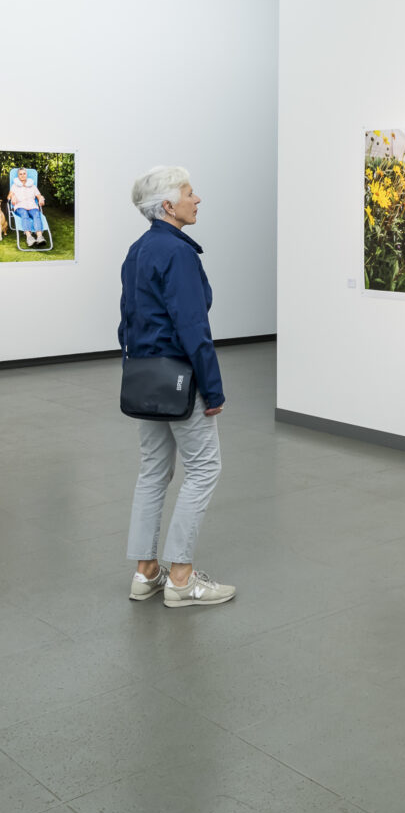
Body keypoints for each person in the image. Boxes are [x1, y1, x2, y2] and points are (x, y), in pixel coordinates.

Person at [120, 166, 235, 607]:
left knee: (153, 472)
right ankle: (182, 579)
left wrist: (136, 368)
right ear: (169, 206)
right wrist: (214, 390)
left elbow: (125, 322)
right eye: (190, 193)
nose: (197, 199)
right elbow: (193, 328)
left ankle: (145, 573)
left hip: (145, 378)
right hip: (182, 378)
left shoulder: (137, 250)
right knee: (204, 468)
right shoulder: (179, 254)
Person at [8, 168, 47, 248]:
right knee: (24, 214)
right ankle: (29, 237)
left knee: (37, 214)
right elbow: (9, 196)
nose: (22, 175)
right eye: (20, 174)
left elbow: (38, 195)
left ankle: (39, 237)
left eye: (24, 173)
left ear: (26, 175)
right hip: (20, 206)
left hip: (32, 206)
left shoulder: (32, 185)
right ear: (18, 176)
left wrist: (41, 198)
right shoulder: (15, 185)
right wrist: (13, 196)